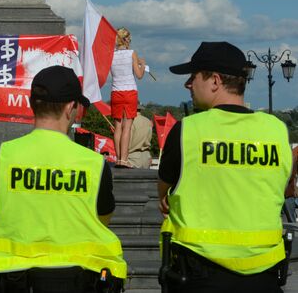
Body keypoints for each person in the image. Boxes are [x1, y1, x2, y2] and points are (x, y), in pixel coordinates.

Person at [157, 42, 294, 293]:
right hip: (264, 275)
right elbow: (284, 189)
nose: (188, 84)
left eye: (193, 76)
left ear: (215, 81)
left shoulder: (188, 130)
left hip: (199, 273)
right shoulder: (277, 130)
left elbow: (164, 191)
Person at [0, 65, 127, 293]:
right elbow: (102, 217)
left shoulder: (0, 156)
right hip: (78, 280)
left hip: (13, 280)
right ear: (71, 108)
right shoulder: (94, 164)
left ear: (32, 104)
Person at [110, 27, 146, 168]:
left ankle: (118, 158)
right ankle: (124, 160)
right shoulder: (132, 53)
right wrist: (142, 65)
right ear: (126, 40)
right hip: (129, 91)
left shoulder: (111, 55)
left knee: (117, 127)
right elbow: (139, 75)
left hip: (115, 92)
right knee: (127, 127)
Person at [127, 104, 152, 169]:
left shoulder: (129, 121)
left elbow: (128, 142)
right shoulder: (148, 121)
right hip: (146, 156)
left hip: (132, 156)